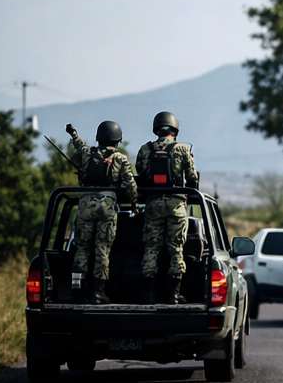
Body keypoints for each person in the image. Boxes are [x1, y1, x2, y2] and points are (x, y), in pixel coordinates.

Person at [66, 120, 138, 304]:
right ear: (117, 140)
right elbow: (131, 185)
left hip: (84, 205)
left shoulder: (87, 153)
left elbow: (79, 144)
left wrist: (73, 133)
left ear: (98, 138)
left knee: (81, 249)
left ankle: (77, 290)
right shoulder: (120, 159)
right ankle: (98, 294)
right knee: (102, 250)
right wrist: (134, 204)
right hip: (107, 206)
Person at [135, 111, 199, 304]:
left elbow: (141, 172)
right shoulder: (182, 149)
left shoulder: (146, 149)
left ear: (157, 129)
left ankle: (149, 295)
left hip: (153, 204)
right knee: (176, 250)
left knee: (151, 249)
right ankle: (174, 295)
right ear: (174, 129)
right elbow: (193, 178)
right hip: (176, 205)